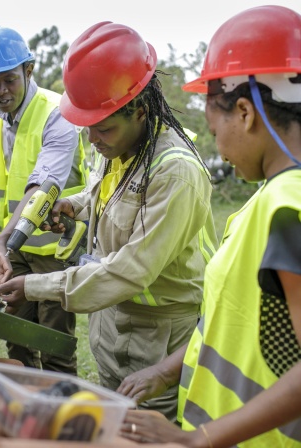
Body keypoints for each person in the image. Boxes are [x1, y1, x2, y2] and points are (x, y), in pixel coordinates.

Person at [0, 22, 218, 421]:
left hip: (158, 337)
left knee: (142, 429)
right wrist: (74, 206)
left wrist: (34, 286)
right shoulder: (118, 144)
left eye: (103, 127)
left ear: (141, 111)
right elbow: (104, 191)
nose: (92, 139)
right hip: (111, 323)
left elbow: (131, 271)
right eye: (87, 125)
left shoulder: (175, 174)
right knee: (110, 424)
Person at [118, 5, 301, 447]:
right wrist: (165, 370)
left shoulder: (288, 208)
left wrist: (197, 439)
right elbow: (231, 321)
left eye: (213, 125)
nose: (217, 144)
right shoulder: (268, 198)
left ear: (245, 112)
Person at [0, 27, 88, 375]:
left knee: (53, 343)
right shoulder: (4, 120)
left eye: (8, 80)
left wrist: (4, 238)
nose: (0, 92)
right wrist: (6, 244)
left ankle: (59, 417)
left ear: (29, 70)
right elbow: (8, 190)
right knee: (15, 338)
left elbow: (42, 186)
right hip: (17, 250)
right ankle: (21, 404)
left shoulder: (58, 112)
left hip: (55, 250)